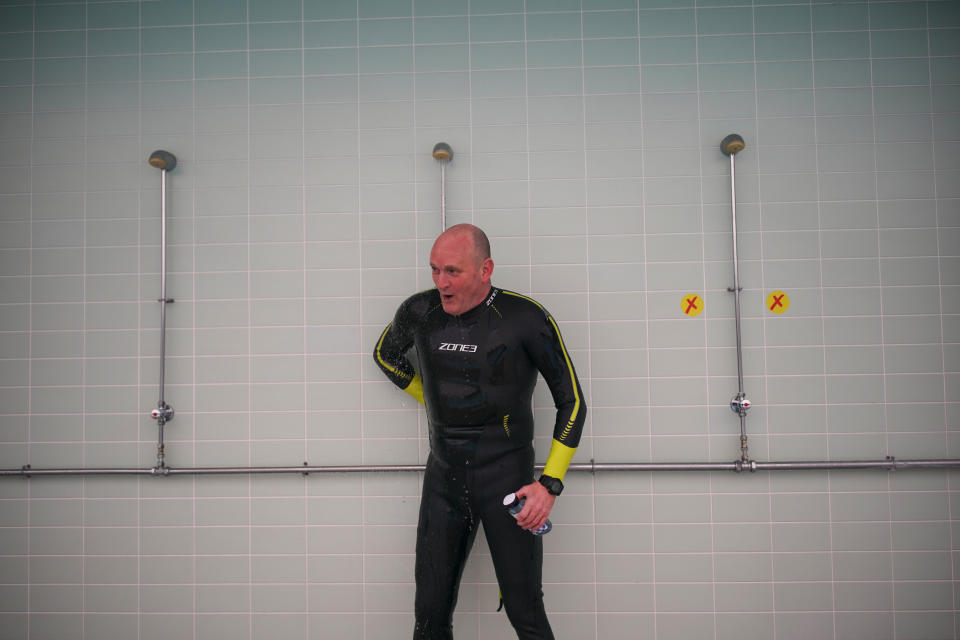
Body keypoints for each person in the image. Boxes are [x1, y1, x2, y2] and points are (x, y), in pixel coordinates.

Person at [373, 223, 586, 640]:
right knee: (429, 615)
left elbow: (572, 401)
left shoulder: (524, 317)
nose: (441, 283)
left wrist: (549, 484)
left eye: (452, 271)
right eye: (434, 270)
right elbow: (385, 354)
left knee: (526, 612)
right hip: (443, 481)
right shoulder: (420, 311)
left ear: (485, 269)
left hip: (507, 481)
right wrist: (432, 400)